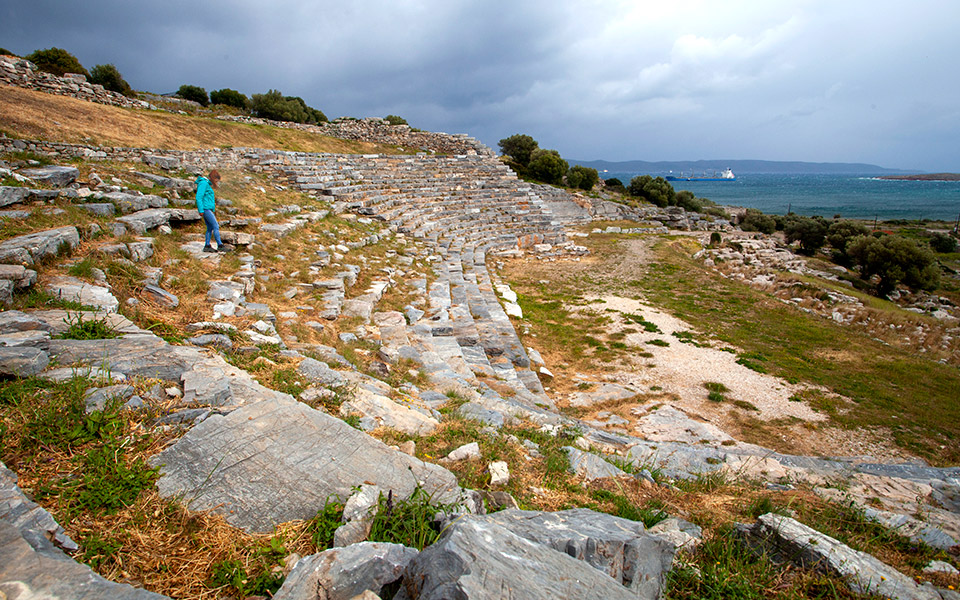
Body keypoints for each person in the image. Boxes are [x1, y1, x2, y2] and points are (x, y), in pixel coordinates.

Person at [196, 169, 227, 252]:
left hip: (207, 209)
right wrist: (201, 210)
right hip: (205, 209)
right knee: (215, 226)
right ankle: (220, 245)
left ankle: (207, 245)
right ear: (213, 178)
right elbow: (199, 197)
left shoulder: (206, 184)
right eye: (216, 180)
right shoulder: (203, 183)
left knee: (210, 228)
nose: (216, 182)